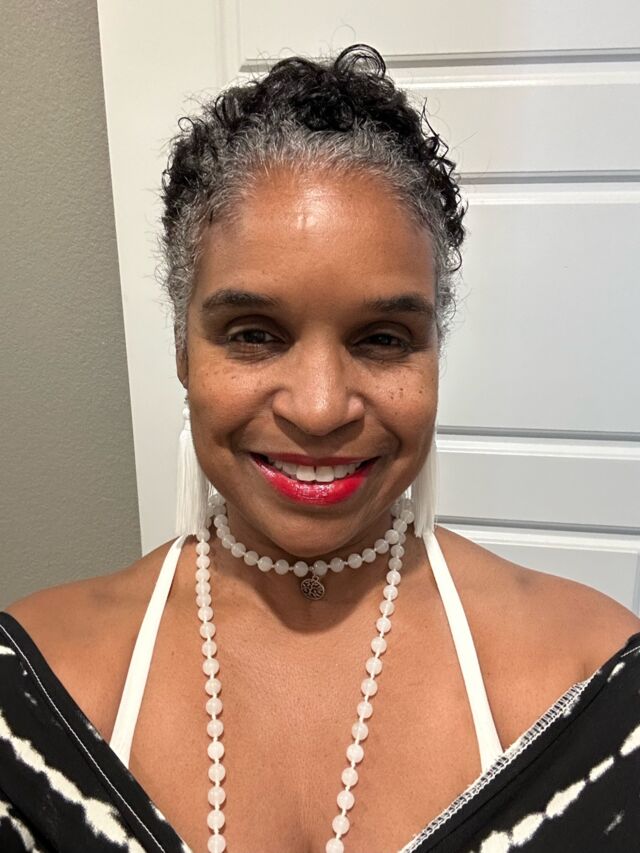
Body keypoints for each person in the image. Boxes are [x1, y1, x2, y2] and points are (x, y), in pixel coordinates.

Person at [1, 44, 638, 853]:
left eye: (383, 338)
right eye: (254, 333)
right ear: (181, 350)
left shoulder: (599, 688)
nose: (319, 408)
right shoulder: (31, 693)